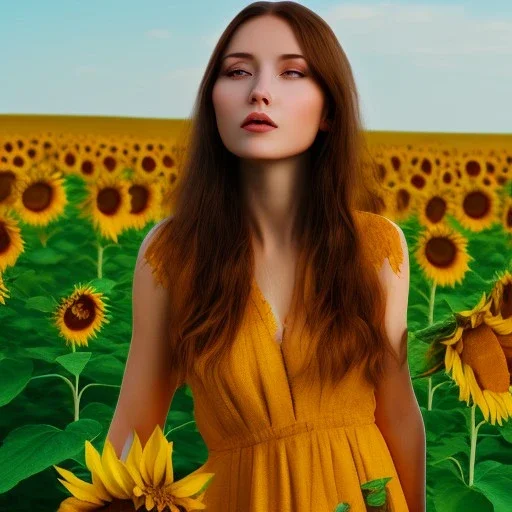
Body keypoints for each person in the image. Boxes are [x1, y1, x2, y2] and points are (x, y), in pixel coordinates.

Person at [107, 2, 426, 511]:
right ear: (213, 101)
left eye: (292, 72)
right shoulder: (171, 255)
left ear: (329, 110)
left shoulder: (377, 246)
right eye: (237, 71)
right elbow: (134, 429)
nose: (259, 90)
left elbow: (399, 413)